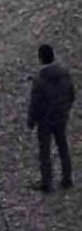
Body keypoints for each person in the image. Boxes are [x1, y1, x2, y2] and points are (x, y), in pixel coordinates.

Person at [28, 44, 75, 193]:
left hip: (45, 119)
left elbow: (35, 103)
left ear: (40, 58)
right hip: (61, 116)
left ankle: (46, 182)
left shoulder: (39, 79)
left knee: (45, 151)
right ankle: (67, 177)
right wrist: (66, 109)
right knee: (63, 146)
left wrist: (31, 120)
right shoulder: (65, 73)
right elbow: (71, 93)